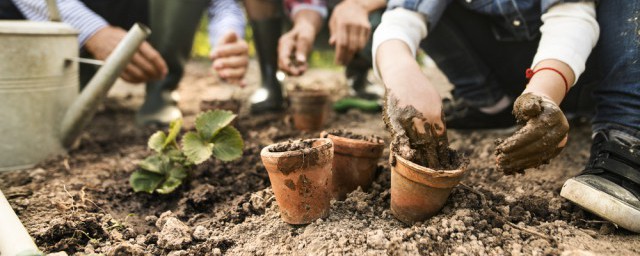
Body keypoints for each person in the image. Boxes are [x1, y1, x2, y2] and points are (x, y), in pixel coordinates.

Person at [373, 0, 639, 232]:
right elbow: (403, 16)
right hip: (509, 72)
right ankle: (492, 107)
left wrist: (544, 92)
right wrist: (401, 72)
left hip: (586, 67)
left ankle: (625, 131)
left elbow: (571, 15)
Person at [4, 0, 249, 125]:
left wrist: (227, 36)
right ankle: (65, 89)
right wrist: (93, 31)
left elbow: (223, 3)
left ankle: (160, 92)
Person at [244, 0, 386, 113]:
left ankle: (358, 73)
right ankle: (270, 79)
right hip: (302, 17)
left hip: (371, 16)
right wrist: (306, 25)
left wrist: (359, 4)